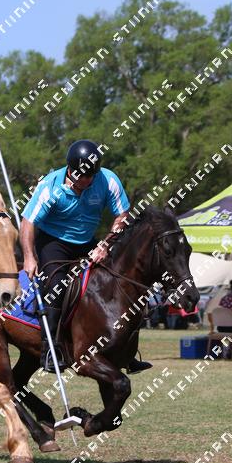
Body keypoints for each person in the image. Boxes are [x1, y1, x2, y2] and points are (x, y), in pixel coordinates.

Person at [20, 139, 150, 373]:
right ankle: (50, 349)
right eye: (82, 177)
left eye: (91, 176)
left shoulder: (108, 180)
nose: (87, 181)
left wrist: (105, 244)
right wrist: (29, 257)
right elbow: (28, 222)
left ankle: (127, 351)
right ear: (70, 170)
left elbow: (122, 215)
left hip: (88, 241)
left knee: (118, 277)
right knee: (56, 285)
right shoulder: (50, 186)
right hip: (53, 242)